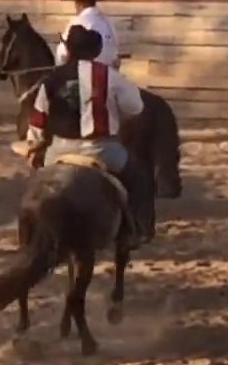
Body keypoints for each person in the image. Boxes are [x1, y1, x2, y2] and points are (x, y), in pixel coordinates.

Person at [24, 26, 154, 248]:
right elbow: (136, 107)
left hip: (59, 151)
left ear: (68, 50)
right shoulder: (109, 76)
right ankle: (136, 229)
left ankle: (28, 228)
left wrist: (32, 145)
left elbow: (38, 120)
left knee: (36, 184)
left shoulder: (51, 79)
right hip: (101, 150)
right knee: (139, 177)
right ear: (96, 51)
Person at [54, 0, 120, 67]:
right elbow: (114, 51)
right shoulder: (108, 23)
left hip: (83, 71)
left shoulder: (77, 22)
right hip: (108, 71)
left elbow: (62, 53)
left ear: (79, 4)